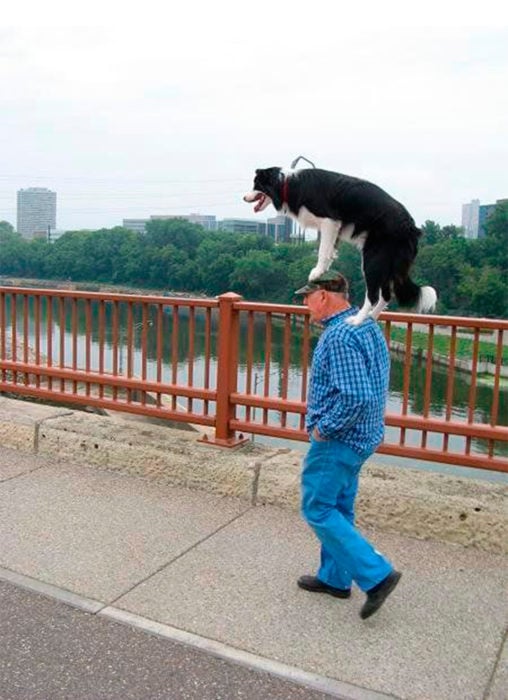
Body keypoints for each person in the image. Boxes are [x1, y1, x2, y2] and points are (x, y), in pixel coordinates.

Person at [294, 270, 401, 619]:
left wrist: (325, 428)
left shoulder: (338, 336)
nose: (304, 303)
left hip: (339, 441)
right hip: (364, 437)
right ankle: (335, 579)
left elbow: (356, 396)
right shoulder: (366, 324)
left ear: (323, 296)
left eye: (307, 296)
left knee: (318, 508)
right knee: (339, 507)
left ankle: (377, 575)